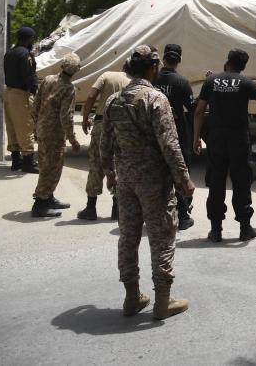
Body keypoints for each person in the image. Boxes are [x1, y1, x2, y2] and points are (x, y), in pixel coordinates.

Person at [100, 45, 195, 320]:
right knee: (162, 237)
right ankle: (163, 301)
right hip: (154, 182)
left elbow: (104, 144)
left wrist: (110, 174)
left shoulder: (113, 101)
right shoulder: (155, 99)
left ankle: (132, 298)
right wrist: (184, 180)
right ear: (153, 68)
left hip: (125, 180)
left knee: (128, 238)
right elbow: (170, 145)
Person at [193, 49, 256, 243]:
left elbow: (199, 112)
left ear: (227, 61)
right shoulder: (245, 82)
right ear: (243, 66)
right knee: (241, 182)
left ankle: (216, 231)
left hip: (216, 140)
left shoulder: (211, 81)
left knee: (216, 183)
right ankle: (245, 229)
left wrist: (196, 138)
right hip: (238, 140)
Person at [30, 54, 82, 218]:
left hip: (42, 129)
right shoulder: (68, 88)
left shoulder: (48, 79)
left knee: (47, 166)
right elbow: (66, 116)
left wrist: (36, 125)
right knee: (51, 169)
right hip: (54, 134)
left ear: (62, 66)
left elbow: (36, 104)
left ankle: (48, 197)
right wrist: (73, 139)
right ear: (75, 71)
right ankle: (40, 204)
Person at [78, 66, 131, 221]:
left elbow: (91, 96)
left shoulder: (106, 75)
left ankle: (90, 207)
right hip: (121, 125)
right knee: (117, 165)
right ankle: (116, 209)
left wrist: (85, 117)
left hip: (101, 123)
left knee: (96, 164)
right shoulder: (132, 81)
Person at [152, 44, 196, 230]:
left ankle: (157, 215)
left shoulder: (152, 79)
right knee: (179, 171)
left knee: (157, 174)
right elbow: (193, 109)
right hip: (176, 133)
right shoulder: (182, 82)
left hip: (153, 134)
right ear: (179, 60)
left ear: (163, 58)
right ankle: (183, 215)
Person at [4, 26, 39, 174]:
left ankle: (15, 161)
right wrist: (33, 89)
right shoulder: (25, 54)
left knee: (12, 127)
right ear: (29, 39)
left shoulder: (9, 53)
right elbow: (28, 76)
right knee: (25, 127)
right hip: (20, 94)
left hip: (8, 92)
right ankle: (27, 163)